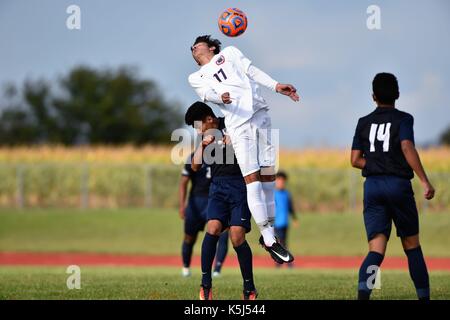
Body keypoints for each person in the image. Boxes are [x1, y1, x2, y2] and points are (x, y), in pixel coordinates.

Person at [188, 35, 299, 264]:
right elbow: (206, 94)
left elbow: (252, 71)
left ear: (211, 47)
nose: (192, 49)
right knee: (253, 179)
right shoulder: (196, 76)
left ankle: (270, 235)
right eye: (191, 48)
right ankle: (269, 238)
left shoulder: (229, 52)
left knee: (268, 177)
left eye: (196, 45)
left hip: (260, 113)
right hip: (237, 125)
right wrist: (220, 96)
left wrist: (276, 86)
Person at [351, 72, 435, 300]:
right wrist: (425, 180)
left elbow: (355, 160)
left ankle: (363, 296)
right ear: (397, 94)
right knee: (412, 247)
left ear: (373, 96)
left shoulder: (363, 122)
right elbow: (407, 147)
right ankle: (424, 297)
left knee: (376, 251)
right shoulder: (404, 119)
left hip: (373, 187)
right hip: (398, 186)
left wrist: (377, 164)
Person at [185, 101, 257, 300]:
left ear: (209, 119)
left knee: (237, 236)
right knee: (213, 229)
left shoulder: (231, 123)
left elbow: (250, 135)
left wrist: (233, 138)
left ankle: (249, 288)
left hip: (240, 186)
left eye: (198, 126)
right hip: (217, 188)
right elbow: (194, 167)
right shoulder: (205, 138)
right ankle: (206, 285)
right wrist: (203, 145)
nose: (198, 131)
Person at [179, 153, 229, 278]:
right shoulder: (193, 157)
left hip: (216, 199)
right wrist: (182, 205)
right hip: (196, 201)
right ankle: (186, 268)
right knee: (189, 238)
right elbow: (184, 182)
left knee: (223, 233)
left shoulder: (222, 156)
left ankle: (217, 270)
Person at [274, 171, 298, 268]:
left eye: (283, 181)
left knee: (284, 242)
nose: (281, 183)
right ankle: (285, 262)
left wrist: (294, 218)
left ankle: (282, 262)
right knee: (280, 243)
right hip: (276, 223)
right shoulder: (273, 194)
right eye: (279, 181)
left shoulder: (286, 194)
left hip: (284, 222)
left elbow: (290, 207)